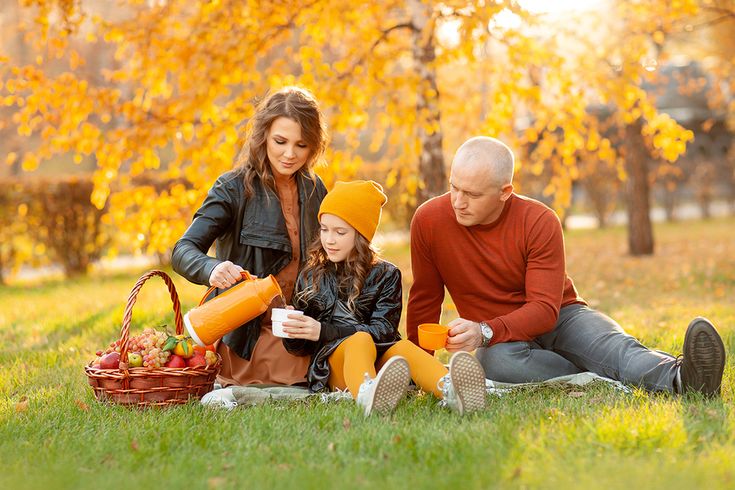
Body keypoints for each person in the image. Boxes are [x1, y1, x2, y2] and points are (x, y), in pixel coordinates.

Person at [407, 135, 726, 396]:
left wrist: (484, 330)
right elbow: (425, 299)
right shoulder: (429, 221)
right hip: (502, 343)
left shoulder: (538, 220)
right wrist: (420, 370)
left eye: (472, 194)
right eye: (454, 188)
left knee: (615, 349)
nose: (458, 202)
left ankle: (685, 378)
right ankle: (596, 373)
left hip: (561, 317)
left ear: (505, 192)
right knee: (496, 364)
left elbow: (545, 309)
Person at [281, 180, 487, 416]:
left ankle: (452, 390)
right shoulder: (310, 275)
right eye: (324, 229)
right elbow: (298, 348)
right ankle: (368, 395)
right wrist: (291, 330)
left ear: (361, 235)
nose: (329, 239)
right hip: (335, 368)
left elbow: (385, 330)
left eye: (340, 232)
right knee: (359, 340)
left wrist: (323, 329)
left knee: (402, 347)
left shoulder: (386, 274)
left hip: (381, 362)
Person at [172, 86, 328, 388]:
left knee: (354, 350)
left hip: (300, 321)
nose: (290, 154)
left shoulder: (314, 188)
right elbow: (182, 249)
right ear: (263, 136)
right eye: (280, 141)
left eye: (302, 145)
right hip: (249, 328)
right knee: (316, 374)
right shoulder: (232, 187)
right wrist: (212, 269)